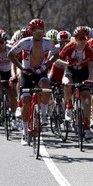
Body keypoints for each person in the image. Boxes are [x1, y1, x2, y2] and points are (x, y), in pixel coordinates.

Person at [8, 18, 60, 146]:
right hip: (27, 73)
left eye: (40, 30)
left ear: (43, 31)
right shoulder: (25, 42)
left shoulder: (48, 42)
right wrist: (21, 69)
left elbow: (57, 55)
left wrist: (46, 66)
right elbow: (10, 55)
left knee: (46, 86)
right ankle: (25, 132)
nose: (38, 33)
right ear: (31, 31)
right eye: (36, 30)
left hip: (40, 72)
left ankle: (43, 115)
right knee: (26, 102)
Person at [59, 26, 93, 139]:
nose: (83, 40)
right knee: (66, 84)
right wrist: (68, 64)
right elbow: (57, 59)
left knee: (86, 99)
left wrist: (89, 80)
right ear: (75, 39)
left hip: (83, 72)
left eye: (85, 38)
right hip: (70, 70)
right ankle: (68, 106)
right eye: (80, 38)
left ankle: (86, 127)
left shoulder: (90, 49)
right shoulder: (69, 46)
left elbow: (92, 68)